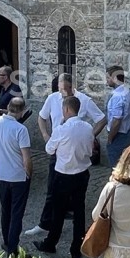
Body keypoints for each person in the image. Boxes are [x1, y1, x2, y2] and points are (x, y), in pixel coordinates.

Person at [25, 74, 105, 240]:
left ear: (71, 87)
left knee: (76, 195)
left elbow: (101, 119)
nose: (61, 93)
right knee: (52, 190)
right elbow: (42, 117)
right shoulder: (52, 98)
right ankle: (46, 223)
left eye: (64, 89)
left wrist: (89, 137)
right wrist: (46, 135)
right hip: (58, 148)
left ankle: (68, 232)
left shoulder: (83, 100)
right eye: (59, 89)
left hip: (76, 153)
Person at [33, 94, 95, 258]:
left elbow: (49, 150)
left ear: (67, 109)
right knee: (79, 211)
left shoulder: (61, 129)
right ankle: (76, 249)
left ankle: (51, 243)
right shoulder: (88, 128)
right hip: (81, 174)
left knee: (58, 211)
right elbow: (90, 151)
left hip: (63, 174)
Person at [0, 96, 33, 255]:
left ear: (8, 107)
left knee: (5, 211)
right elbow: (26, 158)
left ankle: (7, 242)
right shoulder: (21, 130)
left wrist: (0, 165)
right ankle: (13, 249)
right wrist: (28, 174)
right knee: (16, 214)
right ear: (21, 112)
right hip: (18, 177)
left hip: (2, 174)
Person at [105, 65, 130, 168]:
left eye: (108, 78)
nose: (106, 81)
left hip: (119, 136)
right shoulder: (129, 93)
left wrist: (110, 138)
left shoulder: (118, 97)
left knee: (117, 168)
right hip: (129, 132)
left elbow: (117, 120)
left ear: (114, 79)